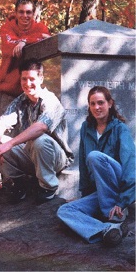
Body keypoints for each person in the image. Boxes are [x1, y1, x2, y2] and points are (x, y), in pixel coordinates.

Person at [0, 59, 74, 204]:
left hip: (55, 158)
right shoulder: (20, 100)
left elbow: (41, 127)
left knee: (39, 139)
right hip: (31, 154)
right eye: (24, 79)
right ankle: (18, 182)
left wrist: (10, 144)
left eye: (32, 79)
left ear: (41, 78)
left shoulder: (51, 101)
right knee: (0, 141)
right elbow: (1, 123)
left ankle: (48, 187)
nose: (27, 84)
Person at [57, 86, 135, 247]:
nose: (97, 107)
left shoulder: (120, 129)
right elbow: (84, 168)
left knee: (95, 157)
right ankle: (108, 229)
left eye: (101, 103)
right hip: (100, 192)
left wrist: (122, 201)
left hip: (118, 188)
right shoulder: (87, 128)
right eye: (92, 104)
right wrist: (84, 195)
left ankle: (112, 214)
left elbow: (131, 166)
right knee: (64, 211)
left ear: (110, 103)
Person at [0, 0, 50, 125]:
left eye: (28, 12)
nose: (25, 16)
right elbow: (10, 49)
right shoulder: (7, 28)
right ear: (16, 13)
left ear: (34, 14)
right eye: (21, 12)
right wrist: (33, 40)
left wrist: (24, 41)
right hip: (7, 90)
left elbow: (48, 41)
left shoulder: (40, 28)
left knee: (26, 137)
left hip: (30, 92)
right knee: (2, 132)